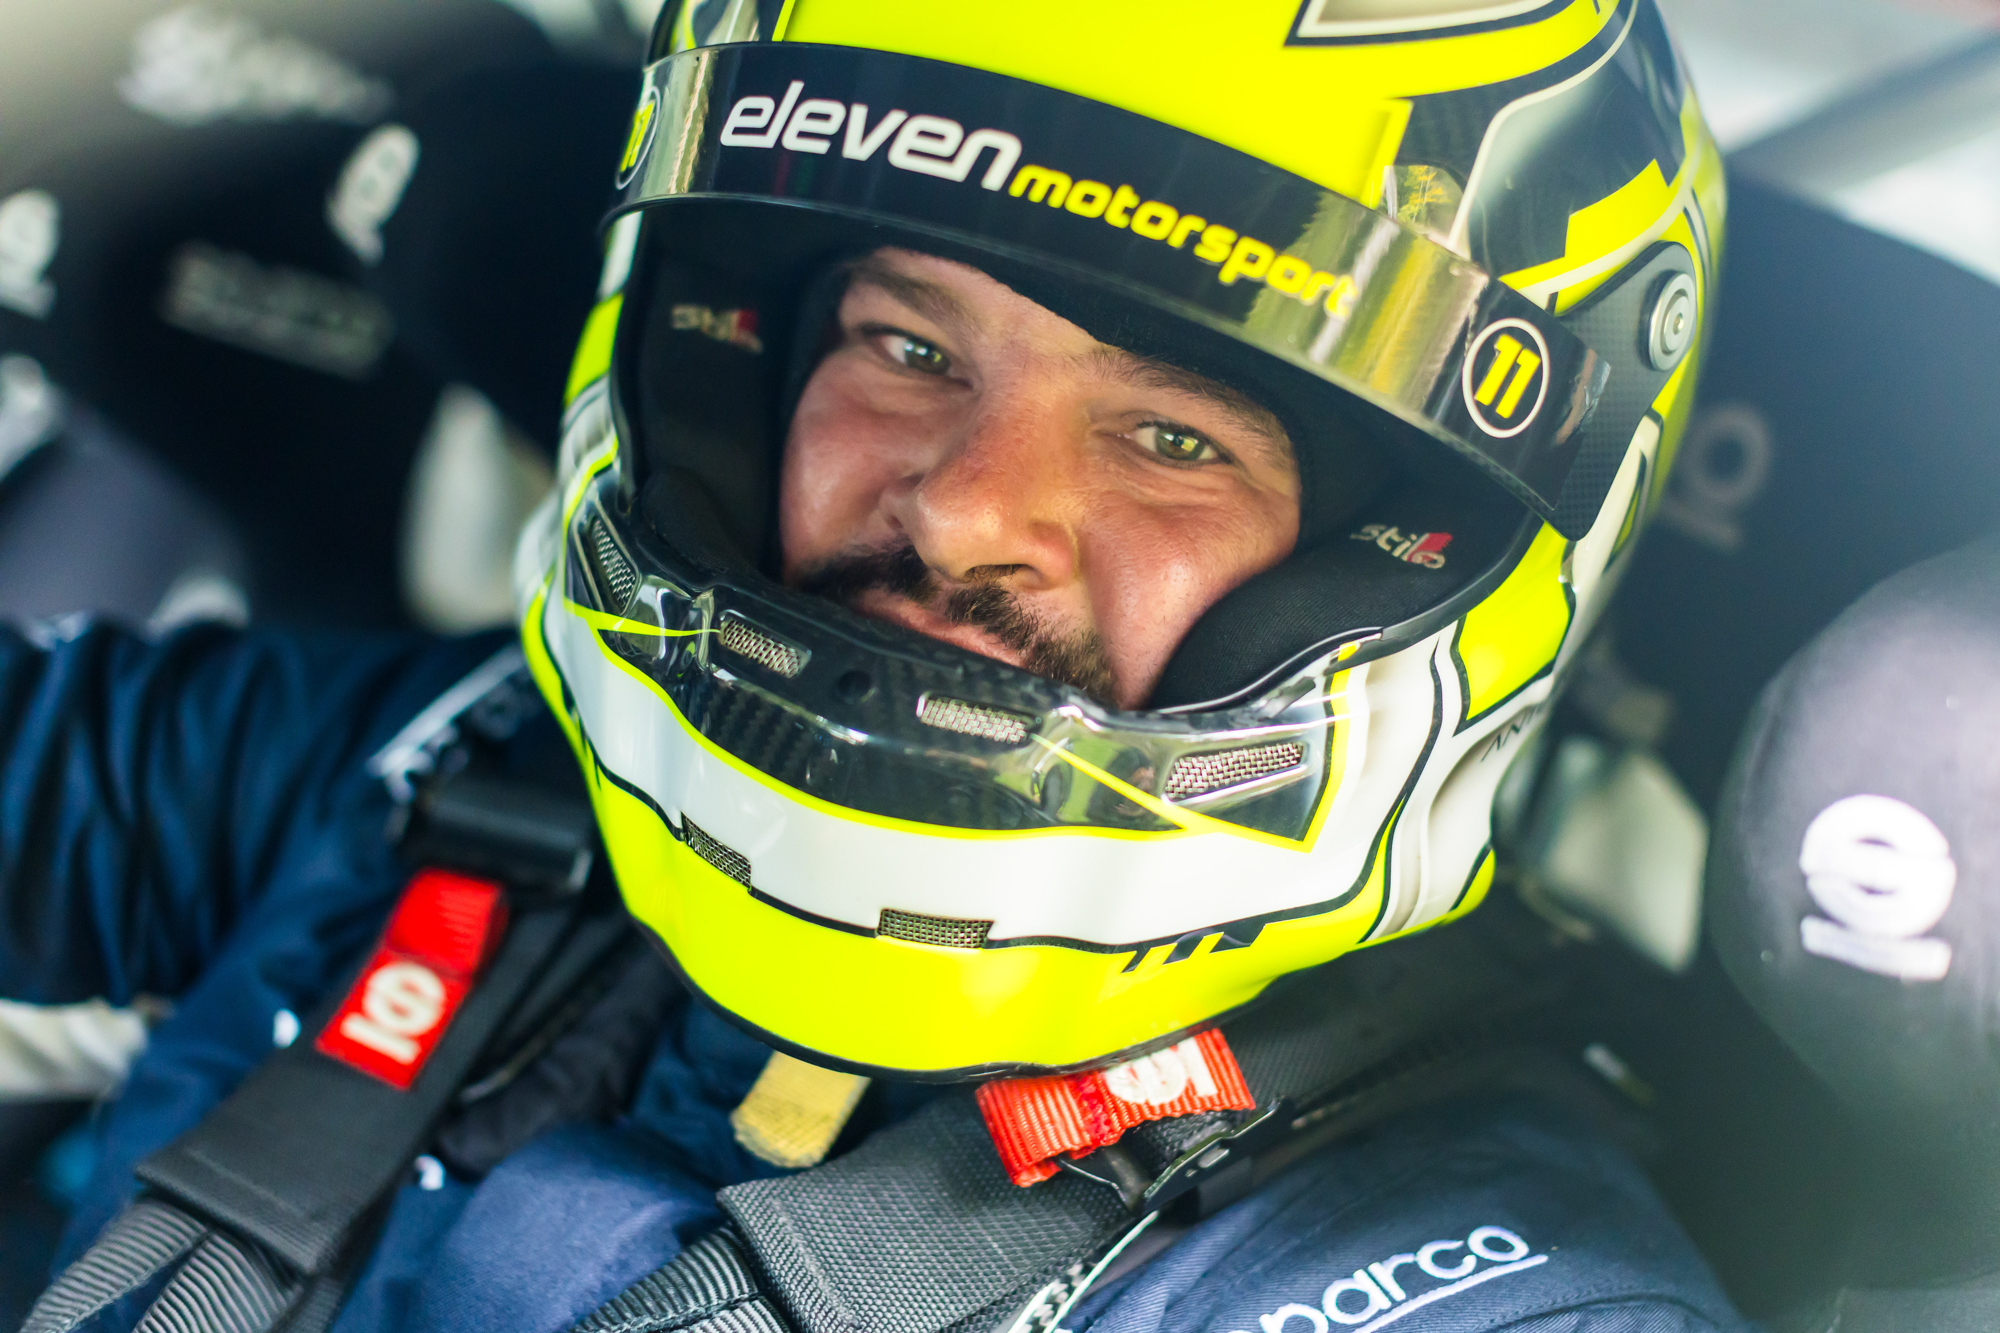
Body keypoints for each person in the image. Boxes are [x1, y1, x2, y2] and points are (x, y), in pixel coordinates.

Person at [7, 2, 1750, 1330]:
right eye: (910, 344)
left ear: (1403, 563)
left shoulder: (1471, 1276)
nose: (966, 506)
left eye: (1173, 436)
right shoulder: (448, 770)